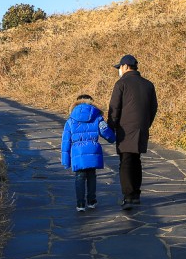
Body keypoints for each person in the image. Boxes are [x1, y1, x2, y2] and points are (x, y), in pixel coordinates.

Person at [107, 54, 158, 209]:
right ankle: (135, 194)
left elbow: (114, 108)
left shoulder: (121, 84)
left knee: (126, 161)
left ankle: (128, 196)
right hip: (141, 128)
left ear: (125, 67)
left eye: (119, 67)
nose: (119, 70)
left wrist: (111, 126)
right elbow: (153, 108)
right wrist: (146, 124)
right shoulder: (148, 85)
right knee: (136, 160)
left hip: (125, 128)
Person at [61, 95, 116, 212]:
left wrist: (66, 161)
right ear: (91, 103)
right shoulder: (97, 117)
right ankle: (91, 201)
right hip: (93, 149)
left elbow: (65, 142)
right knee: (91, 176)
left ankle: (80, 204)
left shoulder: (70, 120)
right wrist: (113, 138)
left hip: (78, 152)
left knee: (79, 177)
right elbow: (106, 132)